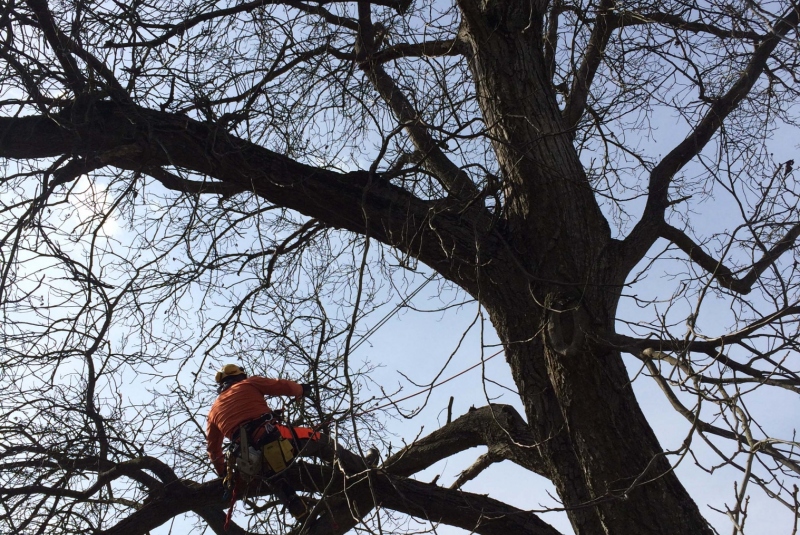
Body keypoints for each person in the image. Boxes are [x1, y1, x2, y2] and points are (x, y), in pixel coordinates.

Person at [206, 363, 313, 519]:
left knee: (272, 476)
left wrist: (223, 473)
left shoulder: (213, 412)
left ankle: (295, 505)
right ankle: (351, 466)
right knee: (319, 439)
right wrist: (301, 389)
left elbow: (213, 450)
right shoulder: (249, 383)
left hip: (249, 456)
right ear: (240, 376)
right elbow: (282, 386)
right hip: (272, 437)